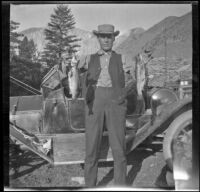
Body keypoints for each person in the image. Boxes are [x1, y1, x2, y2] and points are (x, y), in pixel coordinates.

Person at [77, 24, 135, 188]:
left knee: (119, 149)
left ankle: (120, 186)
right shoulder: (88, 58)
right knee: (91, 148)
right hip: (94, 102)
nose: (106, 40)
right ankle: (90, 185)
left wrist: (122, 96)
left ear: (114, 38)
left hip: (116, 102)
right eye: (103, 36)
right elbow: (75, 73)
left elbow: (132, 81)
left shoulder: (122, 58)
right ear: (98, 38)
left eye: (109, 36)